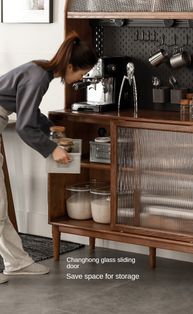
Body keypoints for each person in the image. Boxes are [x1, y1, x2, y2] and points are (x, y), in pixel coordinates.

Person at [0, 32, 98, 284]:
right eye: (82, 73)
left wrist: (52, 131)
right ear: (70, 66)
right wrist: (51, 149)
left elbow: (30, 114)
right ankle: (16, 262)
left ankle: (18, 263)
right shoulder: (39, 77)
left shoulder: (40, 70)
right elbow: (24, 126)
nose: (80, 79)